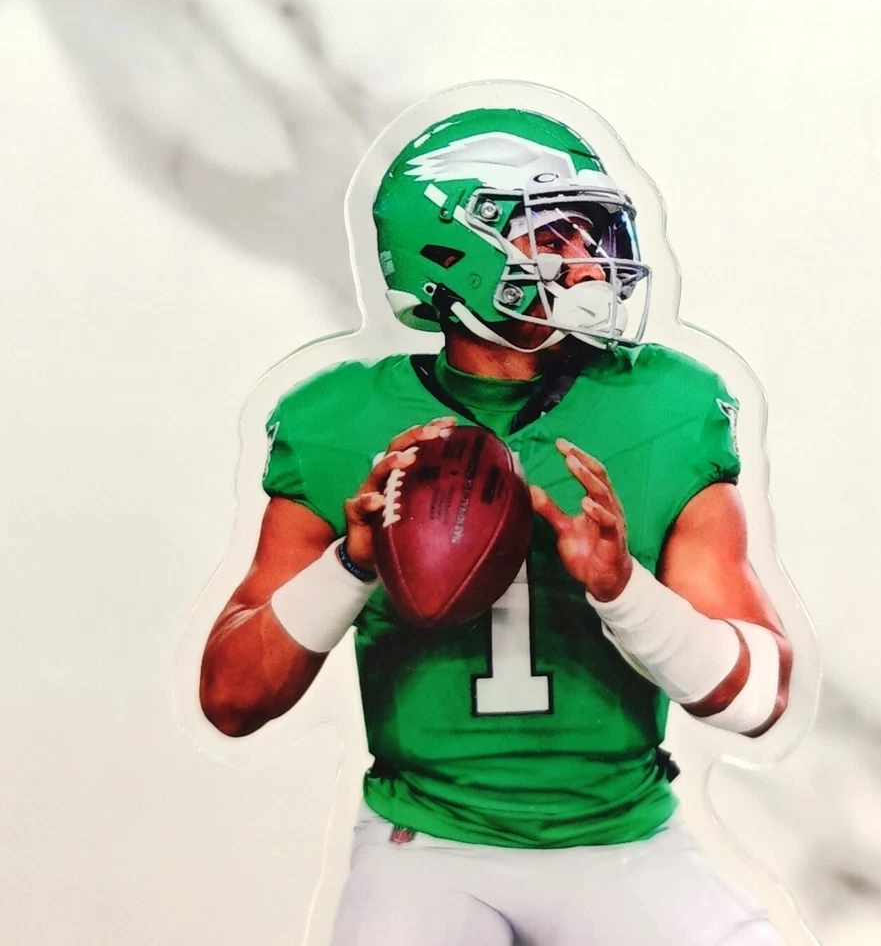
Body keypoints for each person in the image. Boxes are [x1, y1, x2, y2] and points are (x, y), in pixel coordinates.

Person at [199, 107, 794, 945]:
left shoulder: (666, 404)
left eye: (592, 232)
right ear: (453, 254)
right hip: (425, 848)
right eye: (556, 234)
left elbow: (760, 699)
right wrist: (351, 563)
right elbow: (231, 699)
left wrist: (626, 591)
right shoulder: (338, 421)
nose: (590, 261)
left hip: (623, 841)